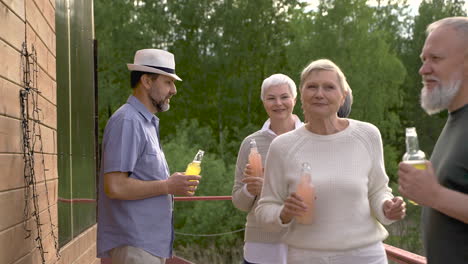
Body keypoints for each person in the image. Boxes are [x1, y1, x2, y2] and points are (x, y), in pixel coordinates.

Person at [255, 59, 406, 264]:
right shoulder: (282, 146)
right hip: (306, 256)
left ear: (343, 95)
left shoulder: (367, 134)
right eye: (312, 87)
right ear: (302, 94)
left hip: (366, 255)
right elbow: (265, 209)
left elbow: (378, 190)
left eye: (329, 87)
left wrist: (387, 206)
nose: (319, 94)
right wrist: (284, 213)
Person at [232, 73, 353, 264]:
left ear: (295, 99)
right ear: (263, 102)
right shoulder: (250, 143)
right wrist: (249, 189)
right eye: (271, 98)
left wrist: (268, 187)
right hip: (260, 247)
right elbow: (239, 202)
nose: (278, 103)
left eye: (284, 97)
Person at [97, 49, 201, 264]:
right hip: (135, 248)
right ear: (146, 81)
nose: (174, 90)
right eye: (168, 82)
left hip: (147, 247)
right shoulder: (128, 121)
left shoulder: (145, 123)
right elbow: (115, 186)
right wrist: (168, 186)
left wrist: (170, 184)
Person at [398, 17, 468, 264]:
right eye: (423, 59)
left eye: (435, 59)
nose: (423, 69)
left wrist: (435, 194)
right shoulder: (455, 119)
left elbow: (438, 196)